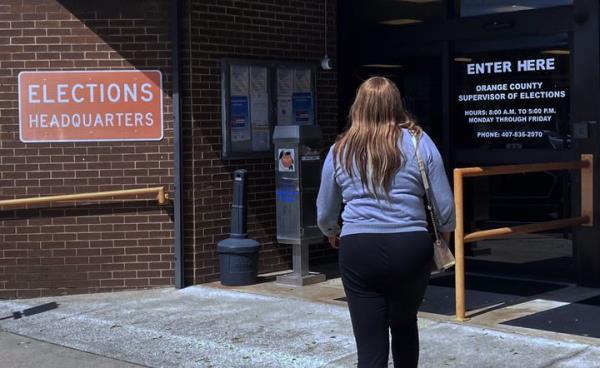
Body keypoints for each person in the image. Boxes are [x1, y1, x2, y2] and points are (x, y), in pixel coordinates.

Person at [316, 76, 455, 367]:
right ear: (396, 104)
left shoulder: (340, 149)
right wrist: (446, 233)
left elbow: (325, 211)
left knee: (369, 344)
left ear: (358, 107)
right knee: (404, 324)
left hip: (358, 247)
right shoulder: (419, 142)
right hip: (410, 246)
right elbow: (444, 206)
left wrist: (331, 231)